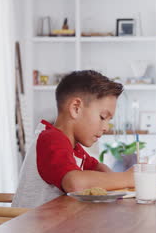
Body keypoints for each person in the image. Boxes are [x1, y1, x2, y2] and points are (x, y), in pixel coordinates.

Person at [13, 70, 134, 208]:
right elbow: (74, 183)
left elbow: (98, 168)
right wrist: (127, 179)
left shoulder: (73, 147)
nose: (106, 127)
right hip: (34, 227)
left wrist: (118, 179)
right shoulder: (51, 139)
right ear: (76, 108)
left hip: (56, 224)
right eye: (102, 117)